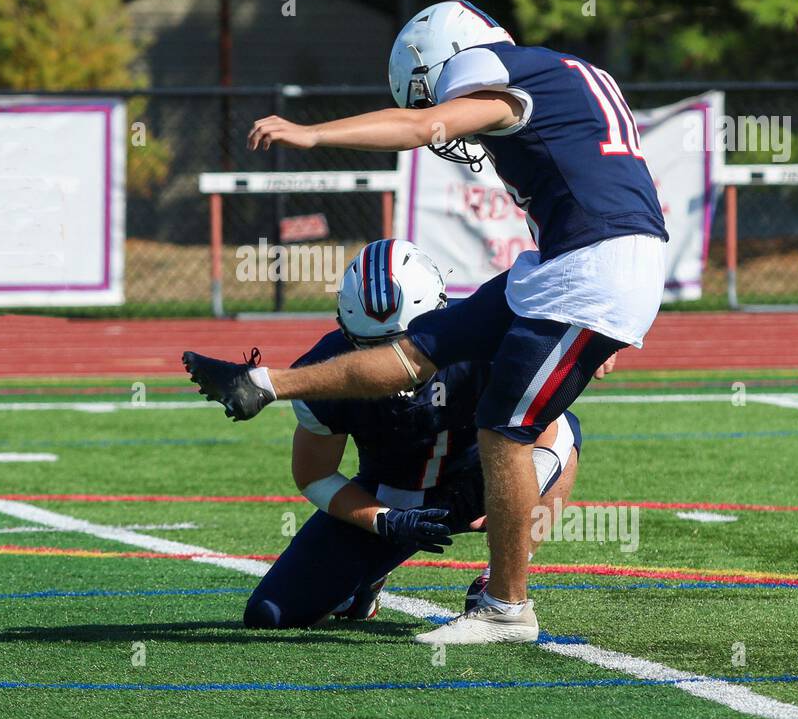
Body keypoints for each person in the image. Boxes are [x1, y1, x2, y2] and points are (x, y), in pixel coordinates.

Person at [185, 1, 663, 644]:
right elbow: (611, 184)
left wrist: (313, 134)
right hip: (573, 259)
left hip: (591, 264)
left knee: (505, 428)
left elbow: (428, 124)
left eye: (429, 87)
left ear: (444, 60)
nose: (441, 112)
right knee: (420, 352)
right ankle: (264, 384)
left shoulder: (498, 75)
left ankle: (506, 607)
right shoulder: (565, 72)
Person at [244, 239, 582, 630]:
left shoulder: (485, 342)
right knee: (269, 614)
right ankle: (363, 584)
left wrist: (515, 499)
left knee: (563, 429)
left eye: (400, 345)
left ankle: (503, 578)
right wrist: (385, 520)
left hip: (483, 483)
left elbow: (558, 434)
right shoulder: (326, 368)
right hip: (390, 497)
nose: (386, 364)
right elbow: (314, 474)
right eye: (370, 346)